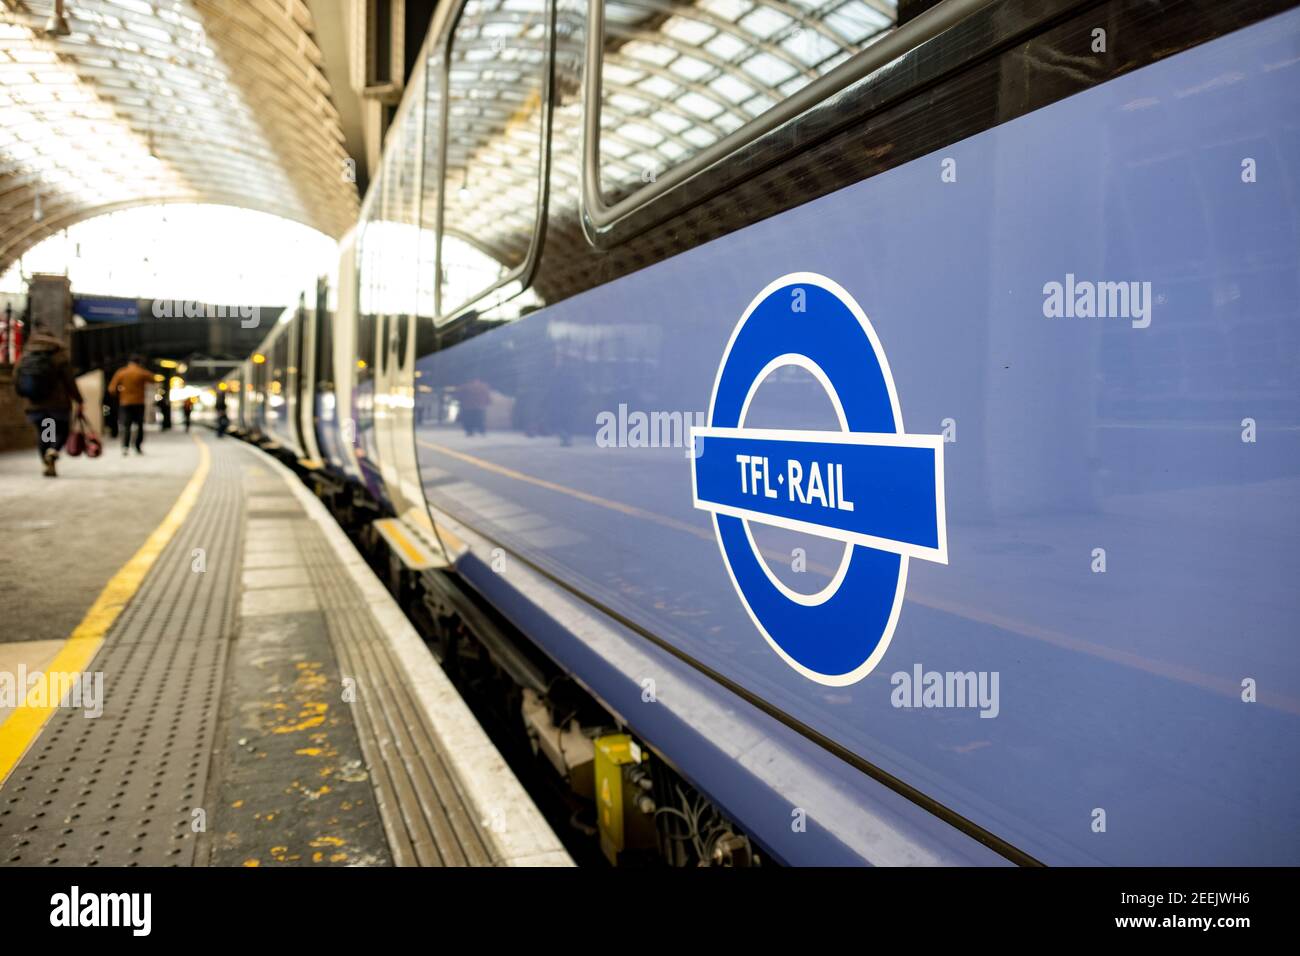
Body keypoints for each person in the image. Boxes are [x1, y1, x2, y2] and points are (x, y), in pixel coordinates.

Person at [14, 324, 83, 477]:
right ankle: (54, 451)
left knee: (45, 432)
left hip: (35, 403)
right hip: (58, 404)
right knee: (61, 431)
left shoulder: (25, 356)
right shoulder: (59, 356)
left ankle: (47, 459)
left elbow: (16, 379)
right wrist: (79, 399)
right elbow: (69, 381)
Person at [107, 355, 155, 456]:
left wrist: (119, 395)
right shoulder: (141, 372)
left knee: (126, 425)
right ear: (139, 363)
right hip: (139, 403)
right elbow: (153, 378)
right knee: (139, 425)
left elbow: (111, 389)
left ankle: (125, 447)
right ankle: (137, 446)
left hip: (125, 403)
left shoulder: (122, 372)